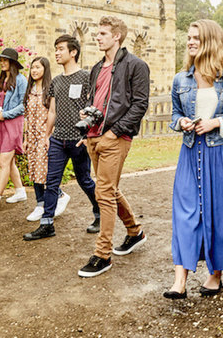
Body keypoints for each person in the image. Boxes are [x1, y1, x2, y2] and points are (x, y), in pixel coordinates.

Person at [164, 19, 223, 299]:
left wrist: (216, 122)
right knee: (185, 213)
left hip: (222, 154)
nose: (190, 42)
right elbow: (175, 115)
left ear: (211, 41)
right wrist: (182, 123)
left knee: (220, 213)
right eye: (189, 38)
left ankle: (215, 275)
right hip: (190, 153)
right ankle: (179, 280)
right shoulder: (181, 79)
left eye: (197, 38)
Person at [77, 16, 150, 278]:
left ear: (116, 36)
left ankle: (102, 255)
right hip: (93, 137)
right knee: (110, 189)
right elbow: (95, 101)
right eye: (97, 33)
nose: (97, 37)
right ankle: (135, 231)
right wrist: (87, 123)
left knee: (104, 193)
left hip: (116, 138)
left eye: (103, 33)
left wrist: (113, 133)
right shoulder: (97, 67)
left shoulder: (135, 65)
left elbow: (140, 105)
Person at [24, 35, 101, 241]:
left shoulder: (86, 77)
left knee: (84, 180)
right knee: (51, 181)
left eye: (60, 49)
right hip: (58, 139)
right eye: (56, 49)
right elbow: (52, 111)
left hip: (79, 139)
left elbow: (94, 108)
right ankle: (47, 223)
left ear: (73, 52)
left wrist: (88, 135)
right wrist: (47, 135)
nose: (56, 53)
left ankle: (99, 213)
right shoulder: (56, 81)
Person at [0, 48, 28, 210]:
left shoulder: (21, 80)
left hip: (13, 124)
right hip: (2, 123)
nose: (1, 63)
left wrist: (6, 114)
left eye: (5, 60)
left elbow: (24, 105)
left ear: (12, 63)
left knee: (3, 162)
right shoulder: (3, 79)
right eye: (1, 60)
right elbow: (2, 102)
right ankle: (20, 191)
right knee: (10, 161)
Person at [22, 56, 52, 221]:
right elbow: (26, 116)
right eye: (32, 67)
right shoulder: (30, 91)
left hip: (44, 135)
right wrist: (26, 139)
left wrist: (49, 136)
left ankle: (55, 197)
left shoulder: (49, 91)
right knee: (33, 169)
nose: (34, 70)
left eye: (38, 67)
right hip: (32, 137)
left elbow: (53, 115)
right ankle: (40, 203)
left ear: (45, 69)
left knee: (42, 170)